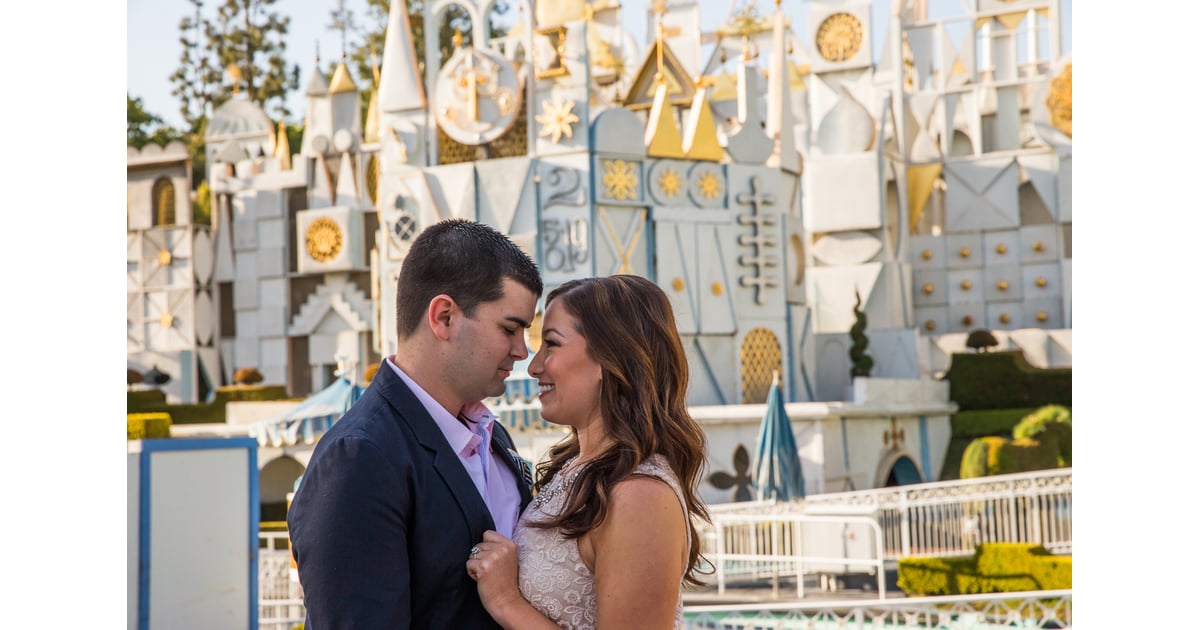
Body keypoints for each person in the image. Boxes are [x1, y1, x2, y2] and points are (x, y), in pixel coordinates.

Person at [287, 218, 543, 629]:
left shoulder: (495, 437)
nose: (522, 351)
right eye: (510, 329)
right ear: (444, 317)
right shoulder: (359, 458)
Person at [465, 275, 711, 630]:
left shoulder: (641, 496)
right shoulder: (575, 468)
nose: (533, 366)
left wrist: (506, 601)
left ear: (610, 358)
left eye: (551, 344)